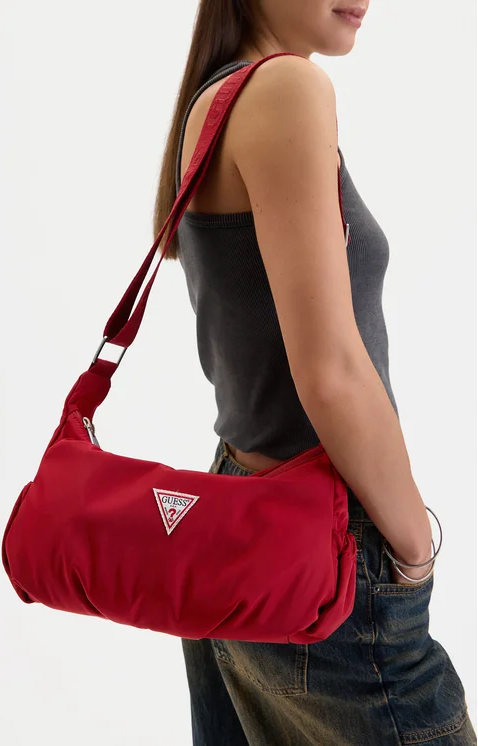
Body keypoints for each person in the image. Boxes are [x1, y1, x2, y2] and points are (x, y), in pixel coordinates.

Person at [153, 1, 476, 744]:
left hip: (234, 518)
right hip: (323, 542)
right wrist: (414, 548)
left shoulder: (215, 98)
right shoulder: (285, 88)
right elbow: (330, 371)